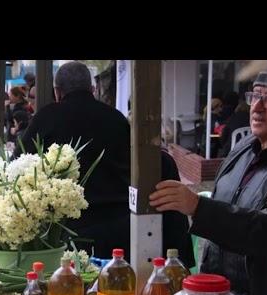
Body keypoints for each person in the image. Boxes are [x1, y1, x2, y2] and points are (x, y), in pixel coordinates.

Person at [149, 70, 267, 295]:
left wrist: (197, 207)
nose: (257, 107)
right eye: (255, 96)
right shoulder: (243, 149)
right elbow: (220, 225)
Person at [13, 61, 194, 263]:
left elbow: (18, 167)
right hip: (122, 230)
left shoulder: (46, 117)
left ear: (57, 92)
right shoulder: (115, 118)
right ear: (92, 89)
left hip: (69, 234)